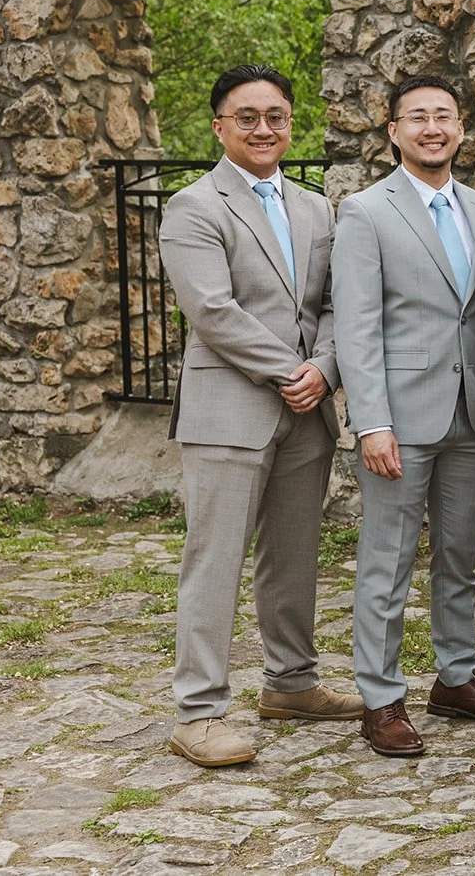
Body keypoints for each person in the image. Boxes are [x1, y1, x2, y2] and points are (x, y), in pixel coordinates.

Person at [158, 64, 364, 767]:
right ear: (219, 126)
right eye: (246, 116)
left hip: (307, 412)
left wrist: (325, 369)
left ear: (290, 122)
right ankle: (198, 710)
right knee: (214, 560)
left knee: (295, 556)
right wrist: (291, 371)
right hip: (231, 409)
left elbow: (338, 304)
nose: (263, 128)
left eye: (275, 115)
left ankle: (292, 682)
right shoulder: (193, 206)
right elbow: (213, 311)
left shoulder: (316, 209)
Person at [332, 74, 475, 758]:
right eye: (416, 116)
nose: (431, 127)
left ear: (461, 128)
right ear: (392, 130)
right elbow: (357, 326)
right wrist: (371, 421)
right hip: (399, 418)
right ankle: (381, 698)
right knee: (386, 560)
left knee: (460, 556)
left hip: (473, 413)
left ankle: (457, 678)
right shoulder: (365, 211)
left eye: (443, 116)